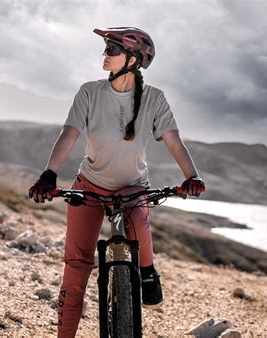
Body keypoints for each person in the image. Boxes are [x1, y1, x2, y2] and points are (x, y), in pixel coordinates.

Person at [28, 27, 205, 338]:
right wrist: (48, 174)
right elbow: (69, 134)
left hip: (132, 187)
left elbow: (174, 141)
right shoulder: (89, 92)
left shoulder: (154, 99)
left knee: (139, 224)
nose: (105, 55)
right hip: (90, 185)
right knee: (76, 267)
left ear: (133, 60)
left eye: (112, 49)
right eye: (106, 49)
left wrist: (192, 176)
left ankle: (147, 273)